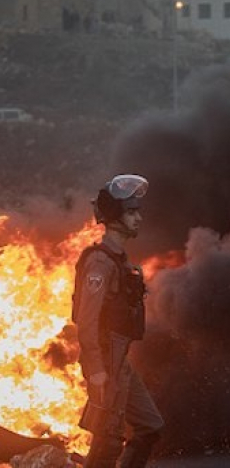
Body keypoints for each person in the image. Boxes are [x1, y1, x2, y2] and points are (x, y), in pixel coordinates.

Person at [72, 174, 164, 468]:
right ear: (114, 217)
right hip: (106, 359)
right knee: (109, 439)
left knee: (150, 425)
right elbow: (86, 322)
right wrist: (97, 370)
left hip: (119, 359)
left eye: (138, 211)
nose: (138, 218)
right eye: (131, 212)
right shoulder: (100, 262)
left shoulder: (119, 260)